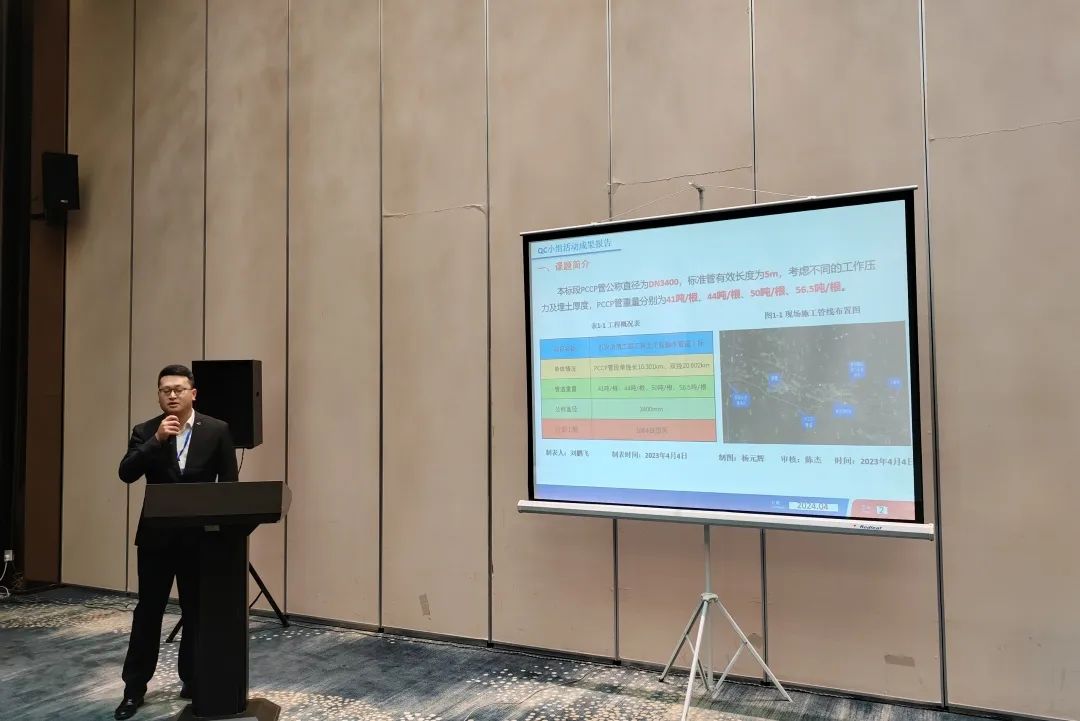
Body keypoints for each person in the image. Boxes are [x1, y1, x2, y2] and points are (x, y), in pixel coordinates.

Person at [114, 364, 239, 720]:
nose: (172, 395)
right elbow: (126, 473)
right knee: (148, 613)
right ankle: (133, 690)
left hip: (199, 540)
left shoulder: (217, 430)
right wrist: (156, 441)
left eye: (178, 389)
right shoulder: (145, 431)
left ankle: (194, 681)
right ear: (159, 395)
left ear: (193, 394)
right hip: (156, 540)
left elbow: (230, 485)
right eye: (165, 390)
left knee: (196, 613)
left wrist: (221, 534)